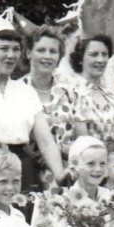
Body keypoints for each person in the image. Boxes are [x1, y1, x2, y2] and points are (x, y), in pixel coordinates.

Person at [0, 22, 65, 191]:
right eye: (4, 48)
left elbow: (45, 141)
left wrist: (60, 175)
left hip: (22, 169)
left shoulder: (26, 91)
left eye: (16, 49)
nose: (11, 55)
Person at [22, 26, 79, 182]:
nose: (47, 56)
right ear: (28, 53)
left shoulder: (71, 89)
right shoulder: (18, 91)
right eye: (41, 50)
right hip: (32, 175)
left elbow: (82, 137)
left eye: (53, 51)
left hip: (73, 174)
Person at [71, 35, 114, 145]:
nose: (100, 60)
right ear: (80, 59)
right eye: (94, 54)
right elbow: (82, 142)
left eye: (104, 54)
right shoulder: (73, 93)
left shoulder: (113, 95)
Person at [67, 136, 111, 202]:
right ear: (75, 166)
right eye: (91, 163)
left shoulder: (108, 195)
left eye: (102, 163)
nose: (98, 169)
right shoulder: (68, 200)